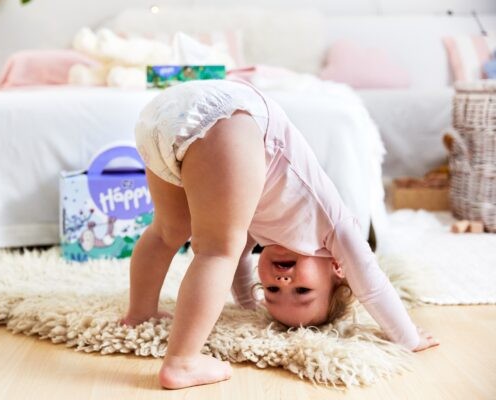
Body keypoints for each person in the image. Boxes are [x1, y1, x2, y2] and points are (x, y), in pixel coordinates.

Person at [120, 79, 439, 390]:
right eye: (303, 291)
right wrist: (407, 337)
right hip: (231, 118)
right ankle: (183, 361)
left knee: (167, 232)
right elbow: (371, 284)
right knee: (217, 251)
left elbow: (241, 260)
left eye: (270, 290)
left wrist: (246, 304)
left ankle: (139, 313)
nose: (283, 281)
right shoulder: (335, 227)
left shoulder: (263, 228)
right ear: (339, 269)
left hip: (164, 118)